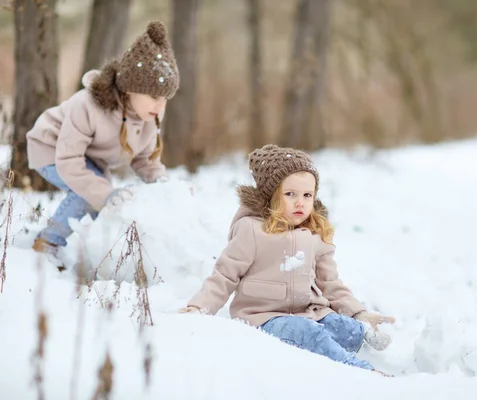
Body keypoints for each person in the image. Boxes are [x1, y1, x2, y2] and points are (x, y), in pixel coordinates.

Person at [181, 144, 396, 375]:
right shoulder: (252, 231)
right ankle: (359, 371)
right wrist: (198, 308)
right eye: (290, 194)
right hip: (264, 317)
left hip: (309, 312)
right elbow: (224, 275)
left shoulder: (314, 233)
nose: (300, 203)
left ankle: (361, 333)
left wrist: (359, 313)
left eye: (307, 195)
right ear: (272, 196)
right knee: (310, 334)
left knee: (340, 327)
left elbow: (330, 283)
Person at [25, 20, 179, 266]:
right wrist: (103, 191)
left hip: (88, 158)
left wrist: (166, 186)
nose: (160, 106)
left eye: (165, 99)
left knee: (103, 196)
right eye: (154, 97)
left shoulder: (150, 115)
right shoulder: (87, 105)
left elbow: (144, 159)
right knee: (90, 193)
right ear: (130, 89)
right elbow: (69, 161)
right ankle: (46, 244)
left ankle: (93, 252)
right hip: (52, 148)